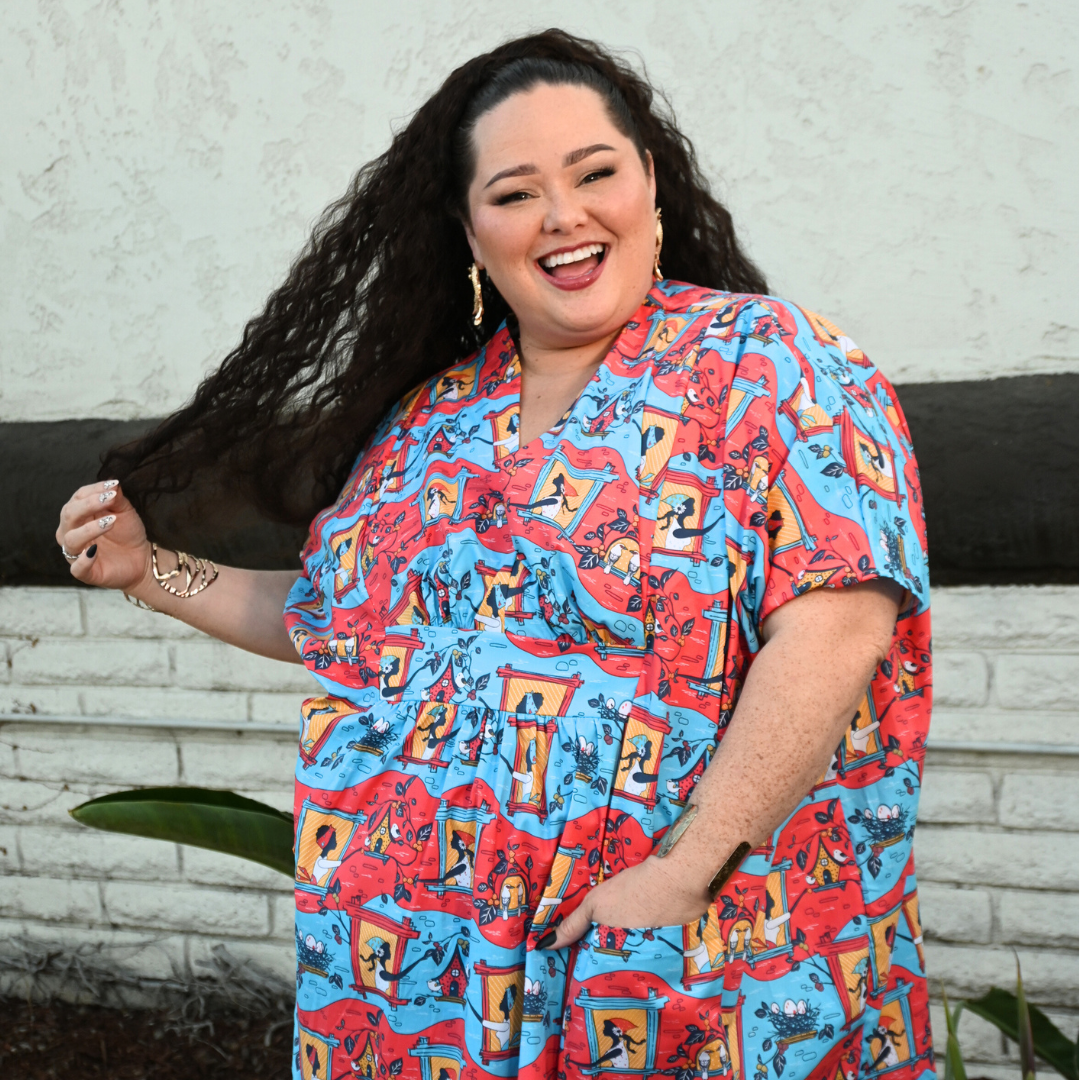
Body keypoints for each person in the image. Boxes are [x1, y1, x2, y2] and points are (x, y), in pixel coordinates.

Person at [56, 30, 933, 1080]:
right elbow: (340, 623)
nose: (563, 216)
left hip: (683, 955)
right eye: (515, 193)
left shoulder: (776, 365)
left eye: (595, 173)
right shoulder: (427, 423)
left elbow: (837, 624)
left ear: (650, 182)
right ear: (472, 233)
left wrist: (687, 871)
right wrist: (154, 575)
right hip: (427, 981)